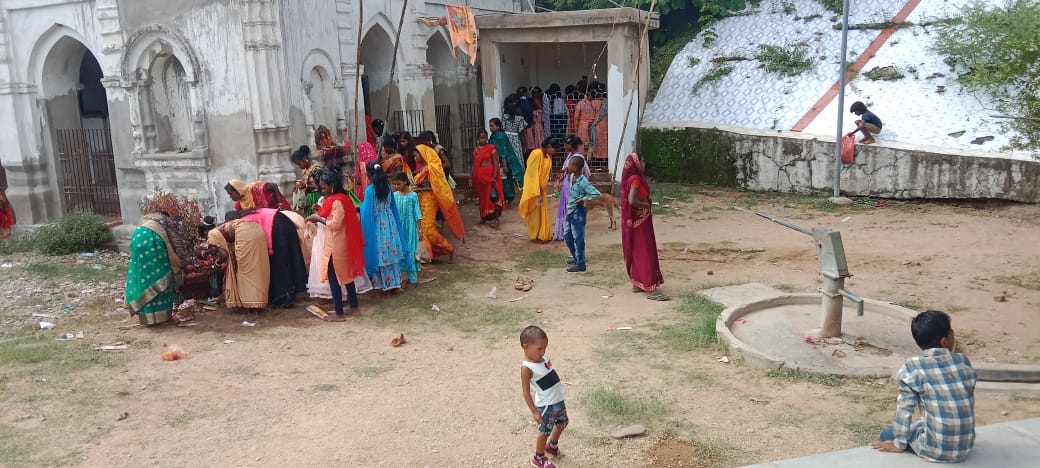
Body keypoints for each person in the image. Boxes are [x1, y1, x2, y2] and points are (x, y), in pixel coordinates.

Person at [871, 310, 976, 462]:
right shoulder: (963, 361)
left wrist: (898, 444)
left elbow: (905, 409)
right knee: (922, 424)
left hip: (935, 450)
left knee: (887, 434)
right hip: (965, 447)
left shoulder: (913, 366)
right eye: (951, 332)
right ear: (944, 341)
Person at [307, 167, 366, 321]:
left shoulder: (337, 201)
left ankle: (339, 313)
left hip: (337, 243)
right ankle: (353, 306)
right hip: (341, 241)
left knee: (334, 277)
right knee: (347, 275)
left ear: (332, 185)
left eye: (324, 187)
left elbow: (335, 224)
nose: (322, 190)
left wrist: (318, 219)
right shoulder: (342, 198)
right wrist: (320, 212)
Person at [125, 210, 195, 325]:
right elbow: (178, 244)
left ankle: (146, 318)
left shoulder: (146, 222)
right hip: (154, 244)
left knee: (144, 280)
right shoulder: (167, 223)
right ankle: (162, 318)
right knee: (163, 277)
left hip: (138, 242)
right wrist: (182, 262)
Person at [520, 325, 568, 468]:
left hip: (558, 400)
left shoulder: (542, 357)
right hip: (547, 405)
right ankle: (538, 457)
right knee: (544, 432)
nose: (543, 352)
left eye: (545, 348)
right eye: (539, 349)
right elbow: (526, 392)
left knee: (562, 423)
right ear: (525, 346)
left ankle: (551, 446)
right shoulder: (527, 368)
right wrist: (535, 412)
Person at [240, 208, 308, 308]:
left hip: (275, 227)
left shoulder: (240, 224)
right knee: (290, 257)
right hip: (284, 222)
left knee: (279, 263)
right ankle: (292, 290)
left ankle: (282, 297)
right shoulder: (248, 216)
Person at [620, 153, 665, 297]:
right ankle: (649, 285)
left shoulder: (630, 178)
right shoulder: (635, 179)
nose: (644, 164)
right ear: (637, 163)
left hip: (637, 221)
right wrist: (646, 205)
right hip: (641, 221)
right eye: (642, 161)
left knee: (637, 251)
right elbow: (632, 200)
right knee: (645, 250)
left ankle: (637, 283)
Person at [412, 144, 465, 263]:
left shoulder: (432, 168)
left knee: (429, 229)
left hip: (430, 200)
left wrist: (419, 189)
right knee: (421, 228)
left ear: (423, 155)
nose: (414, 158)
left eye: (416, 156)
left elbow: (436, 188)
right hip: (421, 199)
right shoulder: (423, 168)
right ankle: (426, 255)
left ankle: (450, 248)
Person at [207, 212, 270, 309]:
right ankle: (259, 301)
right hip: (258, 230)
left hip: (245, 234)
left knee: (244, 273)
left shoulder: (211, 235)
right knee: (257, 269)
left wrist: (217, 264)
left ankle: (251, 305)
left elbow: (224, 255)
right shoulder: (224, 228)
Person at [360, 162, 406, 293]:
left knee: (380, 252)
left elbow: (367, 210)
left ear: (368, 174)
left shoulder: (370, 190)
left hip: (377, 224)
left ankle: (383, 285)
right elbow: (392, 205)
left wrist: (359, 208)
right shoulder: (387, 186)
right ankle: (395, 284)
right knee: (391, 250)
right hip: (389, 222)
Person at [564, 155, 600, 273]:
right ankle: (577, 258)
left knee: (578, 238)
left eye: (570, 165)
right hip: (570, 210)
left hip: (578, 212)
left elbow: (596, 194)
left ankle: (581, 264)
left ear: (575, 167)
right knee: (567, 236)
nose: (568, 166)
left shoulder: (583, 182)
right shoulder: (572, 176)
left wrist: (583, 199)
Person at [552, 135, 589, 241]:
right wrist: (562, 177)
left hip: (573, 186)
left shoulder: (578, 158)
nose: (564, 147)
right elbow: (567, 171)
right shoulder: (570, 155)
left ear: (571, 145)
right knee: (566, 208)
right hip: (567, 185)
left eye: (566, 145)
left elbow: (582, 173)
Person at [518, 137, 556, 242]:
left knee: (541, 211)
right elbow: (531, 173)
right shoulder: (536, 154)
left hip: (542, 190)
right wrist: (537, 189)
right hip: (535, 190)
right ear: (549, 146)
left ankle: (542, 233)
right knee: (535, 212)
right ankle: (534, 234)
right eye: (554, 149)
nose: (555, 152)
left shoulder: (547, 157)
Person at [392, 171, 422, 288]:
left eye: (398, 184)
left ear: (405, 182)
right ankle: (400, 278)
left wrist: (420, 229)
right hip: (398, 228)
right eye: (395, 184)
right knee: (399, 251)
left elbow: (417, 213)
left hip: (411, 228)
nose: (396, 186)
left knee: (411, 250)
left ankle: (413, 280)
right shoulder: (395, 196)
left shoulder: (413, 196)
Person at [471, 129, 505, 226]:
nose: (483, 140)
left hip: (490, 176)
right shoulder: (476, 151)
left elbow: (496, 163)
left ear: (487, 138)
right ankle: (483, 217)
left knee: (493, 196)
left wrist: (494, 176)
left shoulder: (492, 148)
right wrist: (471, 177)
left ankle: (496, 219)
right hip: (480, 177)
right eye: (481, 138)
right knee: (482, 198)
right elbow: (474, 164)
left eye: (484, 138)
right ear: (478, 138)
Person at [489, 117, 524, 204]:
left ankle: (508, 196)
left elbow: (503, 152)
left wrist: (504, 165)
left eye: (492, 126)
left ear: (498, 126)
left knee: (504, 181)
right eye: (490, 126)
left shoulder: (500, 136)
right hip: (496, 162)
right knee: (501, 180)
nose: (490, 127)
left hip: (502, 163)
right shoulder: (493, 136)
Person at [291, 146, 322, 216]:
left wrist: (306, 186)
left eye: (299, 164)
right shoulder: (305, 170)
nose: (299, 167)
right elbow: (304, 181)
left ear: (305, 159)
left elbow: (320, 185)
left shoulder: (316, 169)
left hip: (316, 196)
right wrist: (298, 184)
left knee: (316, 216)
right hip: (308, 197)